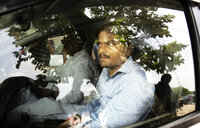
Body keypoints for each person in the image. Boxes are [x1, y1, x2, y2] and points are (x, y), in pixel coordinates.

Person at [57, 27, 155, 128]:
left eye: (111, 43)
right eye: (99, 44)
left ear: (128, 49)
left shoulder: (135, 82)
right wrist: (73, 120)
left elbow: (105, 124)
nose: (102, 50)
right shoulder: (106, 70)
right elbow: (95, 103)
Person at [3, 32, 99, 128]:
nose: (64, 45)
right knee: (24, 94)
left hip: (68, 105)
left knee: (17, 112)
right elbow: (58, 73)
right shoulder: (74, 57)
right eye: (63, 41)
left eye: (69, 42)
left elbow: (76, 96)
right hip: (57, 93)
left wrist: (51, 93)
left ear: (80, 43)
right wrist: (40, 74)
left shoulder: (84, 63)